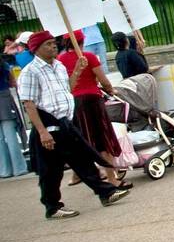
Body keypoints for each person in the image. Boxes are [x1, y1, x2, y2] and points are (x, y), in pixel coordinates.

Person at [17, 31, 129, 219]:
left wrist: (77, 70)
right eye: (48, 44)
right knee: (51, 171)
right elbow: (28, 103)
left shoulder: (59, 66)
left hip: (65, 122)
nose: (53, 46)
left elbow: (66, 88)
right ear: (36, 49)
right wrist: (43, 132)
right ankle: (52, 207)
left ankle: (106, 192)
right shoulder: (30, 72)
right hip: (47, 124)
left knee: (83, 159)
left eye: (54, 43)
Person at [56, 31, 126, 185]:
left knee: (80, 138)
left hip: (73, 102)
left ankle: (76, 175)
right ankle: (111, 176)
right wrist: (111, 90)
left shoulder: (60, 60)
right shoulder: (88, 57)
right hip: (92, 100)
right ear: (82, 41)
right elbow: (103, 79)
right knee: (102, 138)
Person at [0, 59, 28, 179]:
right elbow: (12, 82)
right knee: (11, 135)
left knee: (0, 139)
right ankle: (19, 168)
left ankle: (4, 170)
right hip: (4, 98)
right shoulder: (3, 64)